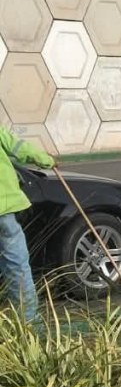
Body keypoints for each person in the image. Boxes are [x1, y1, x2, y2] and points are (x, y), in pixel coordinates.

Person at [0, 127, 54, 324]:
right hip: (3, 210)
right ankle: (29, 325)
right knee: (17, 266)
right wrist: (47, 160)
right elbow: (20, 149)